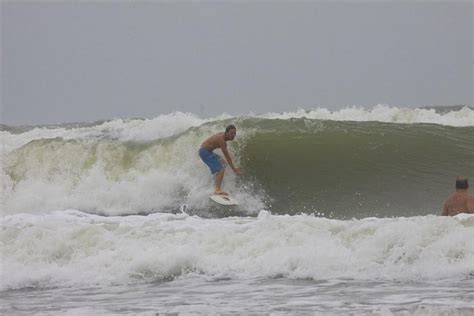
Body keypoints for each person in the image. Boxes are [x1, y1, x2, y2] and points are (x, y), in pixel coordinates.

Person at [199, 125, 242, 195]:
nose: (233, 135)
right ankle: (217, 189)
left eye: (234, 133)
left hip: (208, 152)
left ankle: (215, 182)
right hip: (204, 152)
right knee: (221, 169)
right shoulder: (222, 141)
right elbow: (227, 157)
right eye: (231, 133)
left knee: (223, 163)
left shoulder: (223, 137)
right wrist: (234, 170)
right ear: (226, 132)